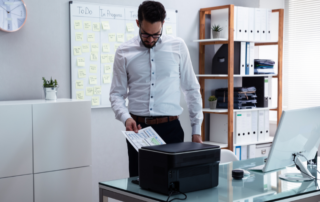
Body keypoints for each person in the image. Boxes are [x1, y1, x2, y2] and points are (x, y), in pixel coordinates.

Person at [110, 1, 203, 177]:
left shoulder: (178, 46)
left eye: (156, 35)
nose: (151, 40)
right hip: (139, 130)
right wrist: (125, 118)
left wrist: (196, 130)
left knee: (174, 187)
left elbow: (191, 90)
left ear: (163, 25)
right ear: (138, 23)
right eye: (146, 35)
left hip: (171, 130)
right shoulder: (124, 52)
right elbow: (116, 94)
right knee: (141, 187)